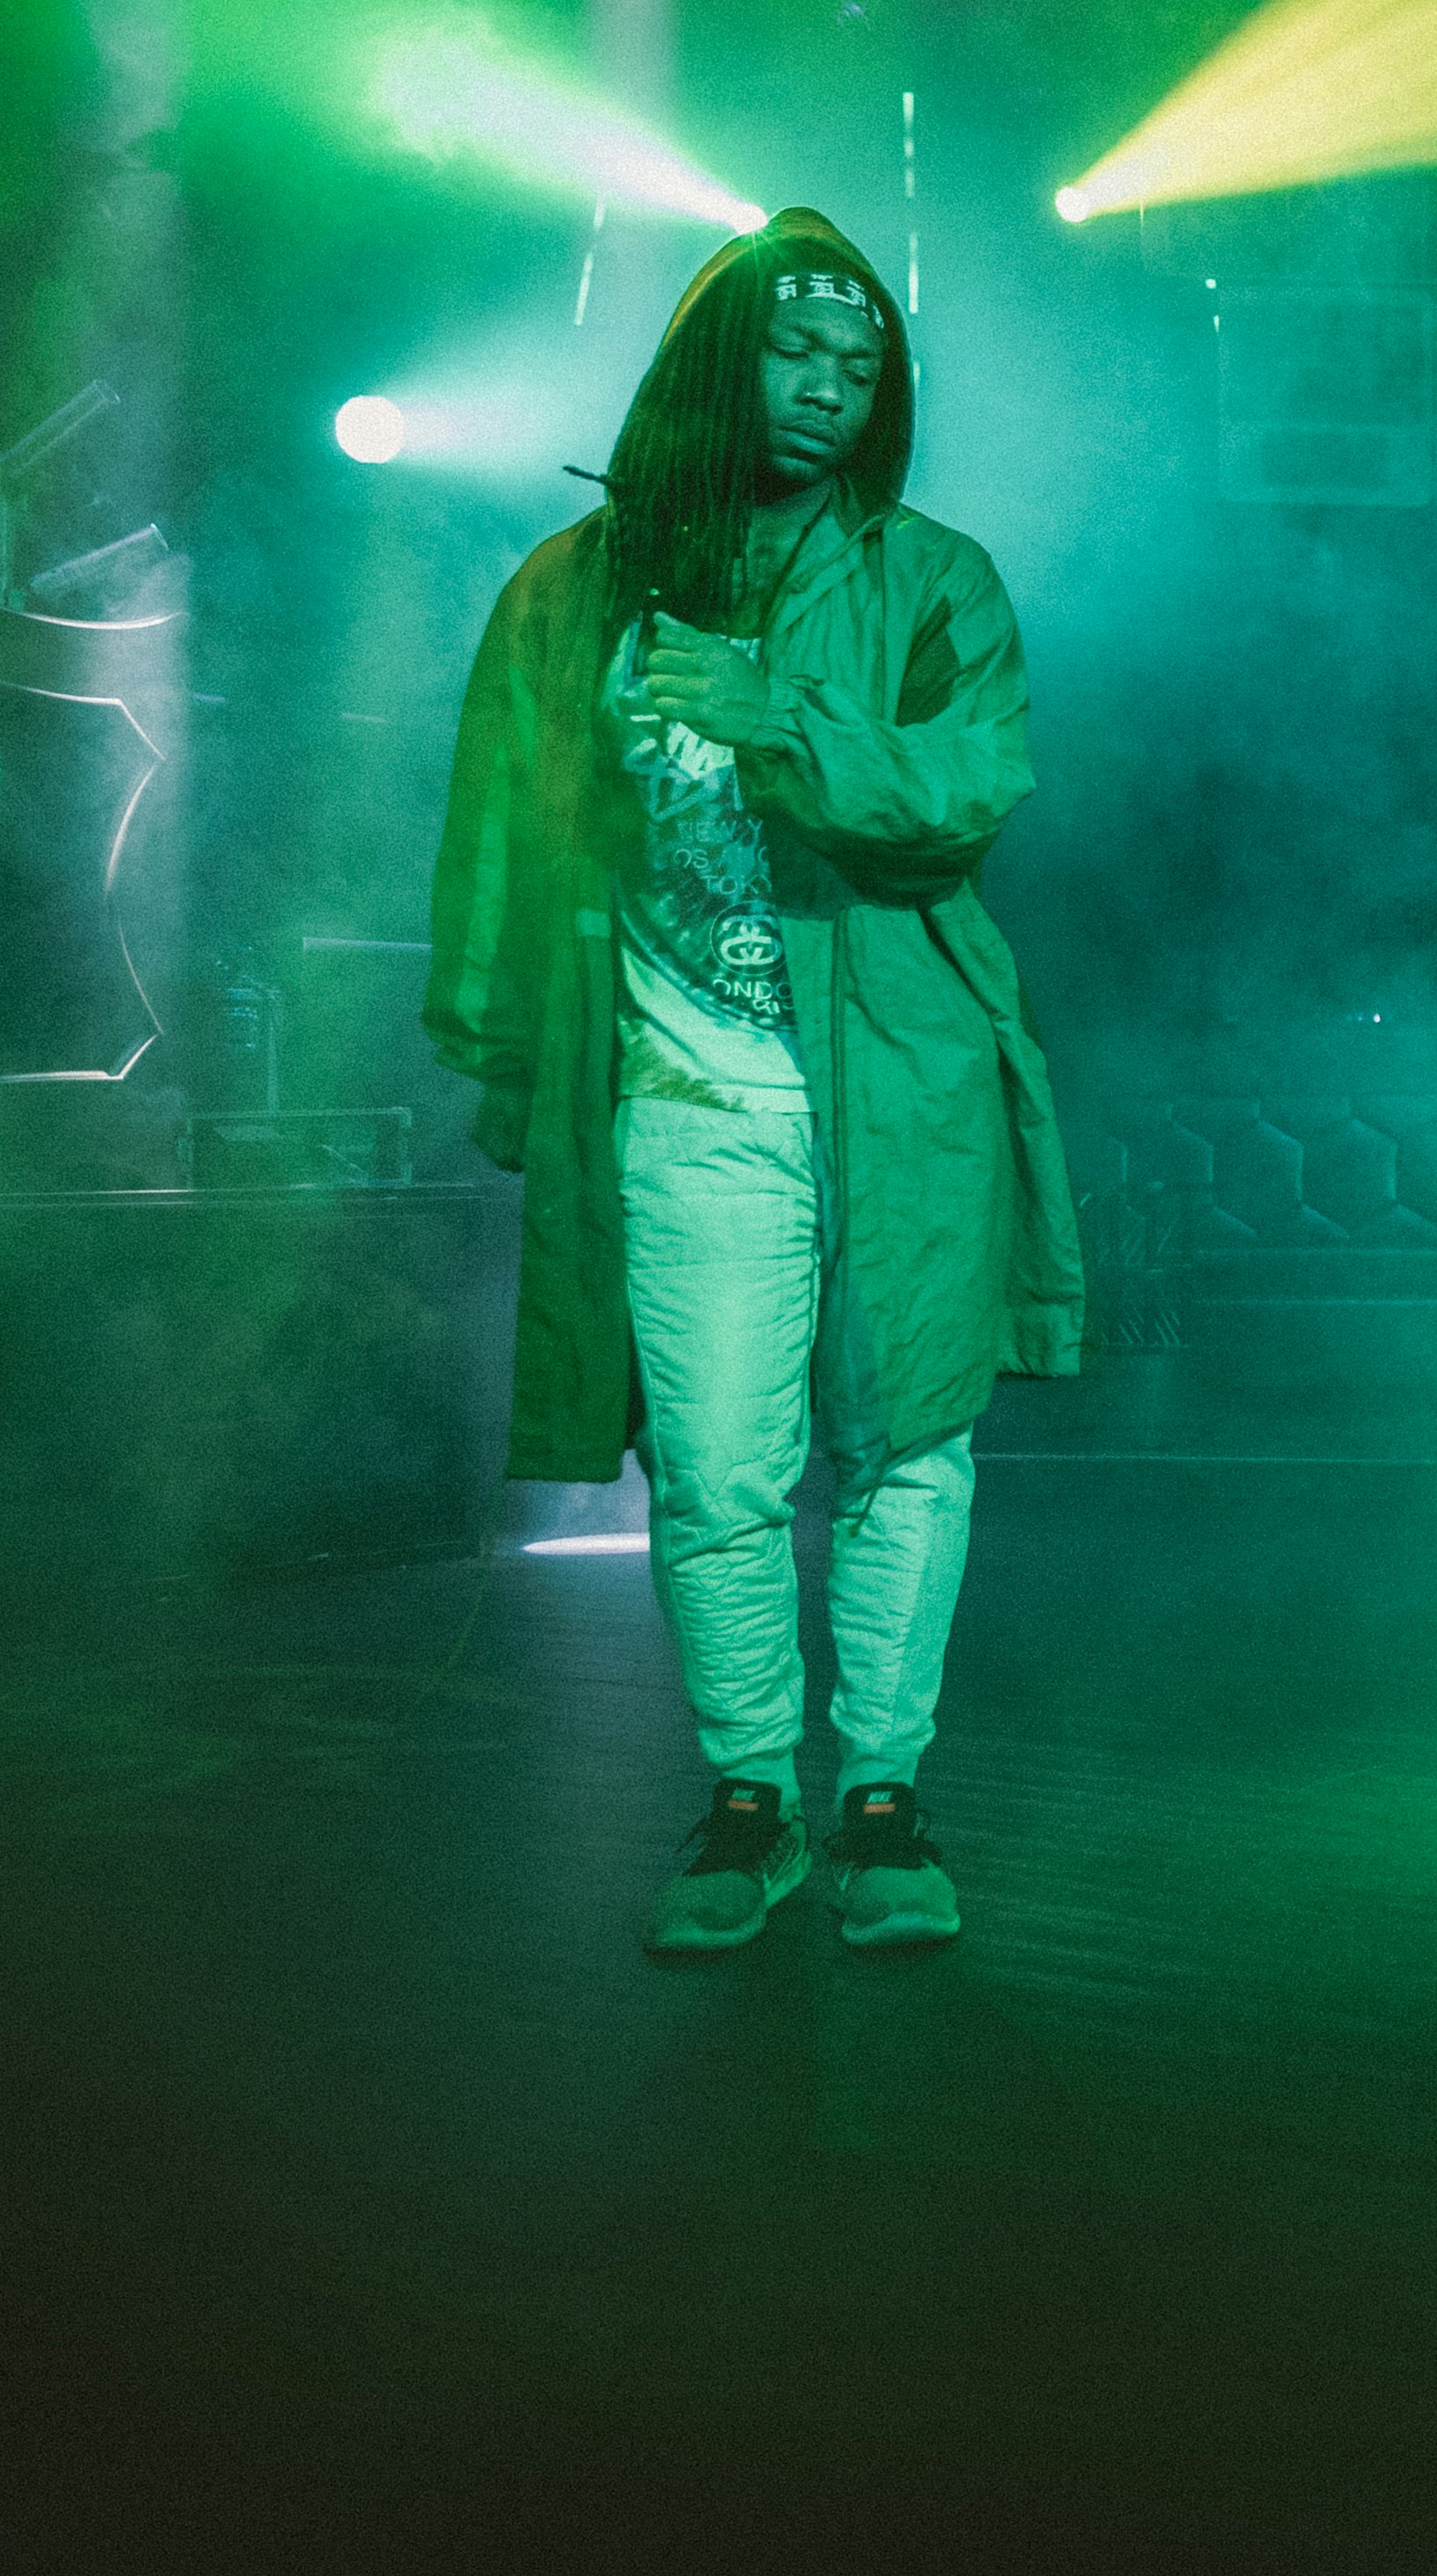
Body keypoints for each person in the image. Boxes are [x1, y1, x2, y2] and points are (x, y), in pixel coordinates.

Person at [427, 208, 1081, 1961]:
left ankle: (881, 1798)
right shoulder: (573, 590)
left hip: (901, 1092)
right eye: (795, 351)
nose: (824, 386)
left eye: (858, 365)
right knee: (716, 1468)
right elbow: (499, 820)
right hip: (687, 1104)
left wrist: (775, 715)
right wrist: (507, 1057)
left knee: (908, 1444)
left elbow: (969, 793)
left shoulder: (934, 579)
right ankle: (748, 1798)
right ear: (724, 355)